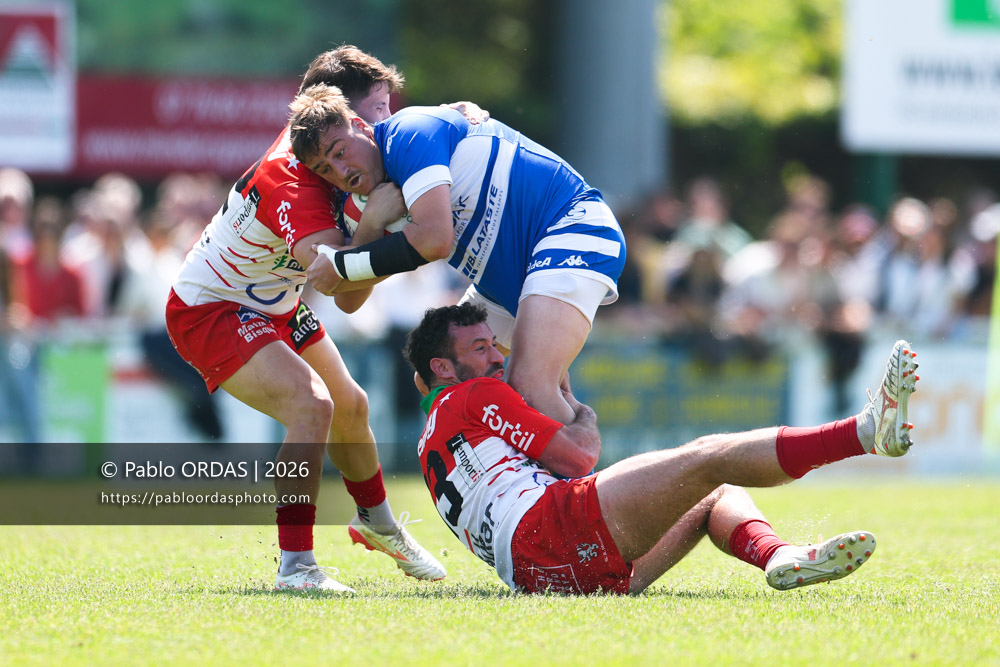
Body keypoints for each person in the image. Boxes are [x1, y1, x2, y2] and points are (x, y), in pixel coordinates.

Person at [166, 46, 449, 592]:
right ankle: (296, 567)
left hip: (271, 299)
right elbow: (344, 295)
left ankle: (378, 525)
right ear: (349, 113)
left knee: (352, 406)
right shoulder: (295, 183)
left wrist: (456, 115)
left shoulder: (325, 137)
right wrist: (373, 228)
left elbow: (350, 284)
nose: (385, 122)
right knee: (311, 405)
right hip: (211, 309)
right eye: (378, 109)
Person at [401, 302, 919, 594]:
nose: (497, 358)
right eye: (480, 348)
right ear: (443, 368)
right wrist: (578, 410)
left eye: (493, 344)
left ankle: (777, 555)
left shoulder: (429, 439)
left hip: (539, 574)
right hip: (551, 529)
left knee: (714, 491)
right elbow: (578, 458)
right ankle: (863, 434)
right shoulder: (473, 393)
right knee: (711, 454)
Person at [288, 85, 627, 426]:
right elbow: (350, 300)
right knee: (437, 377)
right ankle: (517, 459)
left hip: (570, 227)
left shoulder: (408, 133)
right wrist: (372, 225)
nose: (340, 171)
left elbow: (435, 240)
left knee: (531, 386)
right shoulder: (373, 193)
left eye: (340, 152)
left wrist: (342, 263)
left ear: (361, 126)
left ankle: (579, 460)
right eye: (325, 169)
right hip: (510, 276)